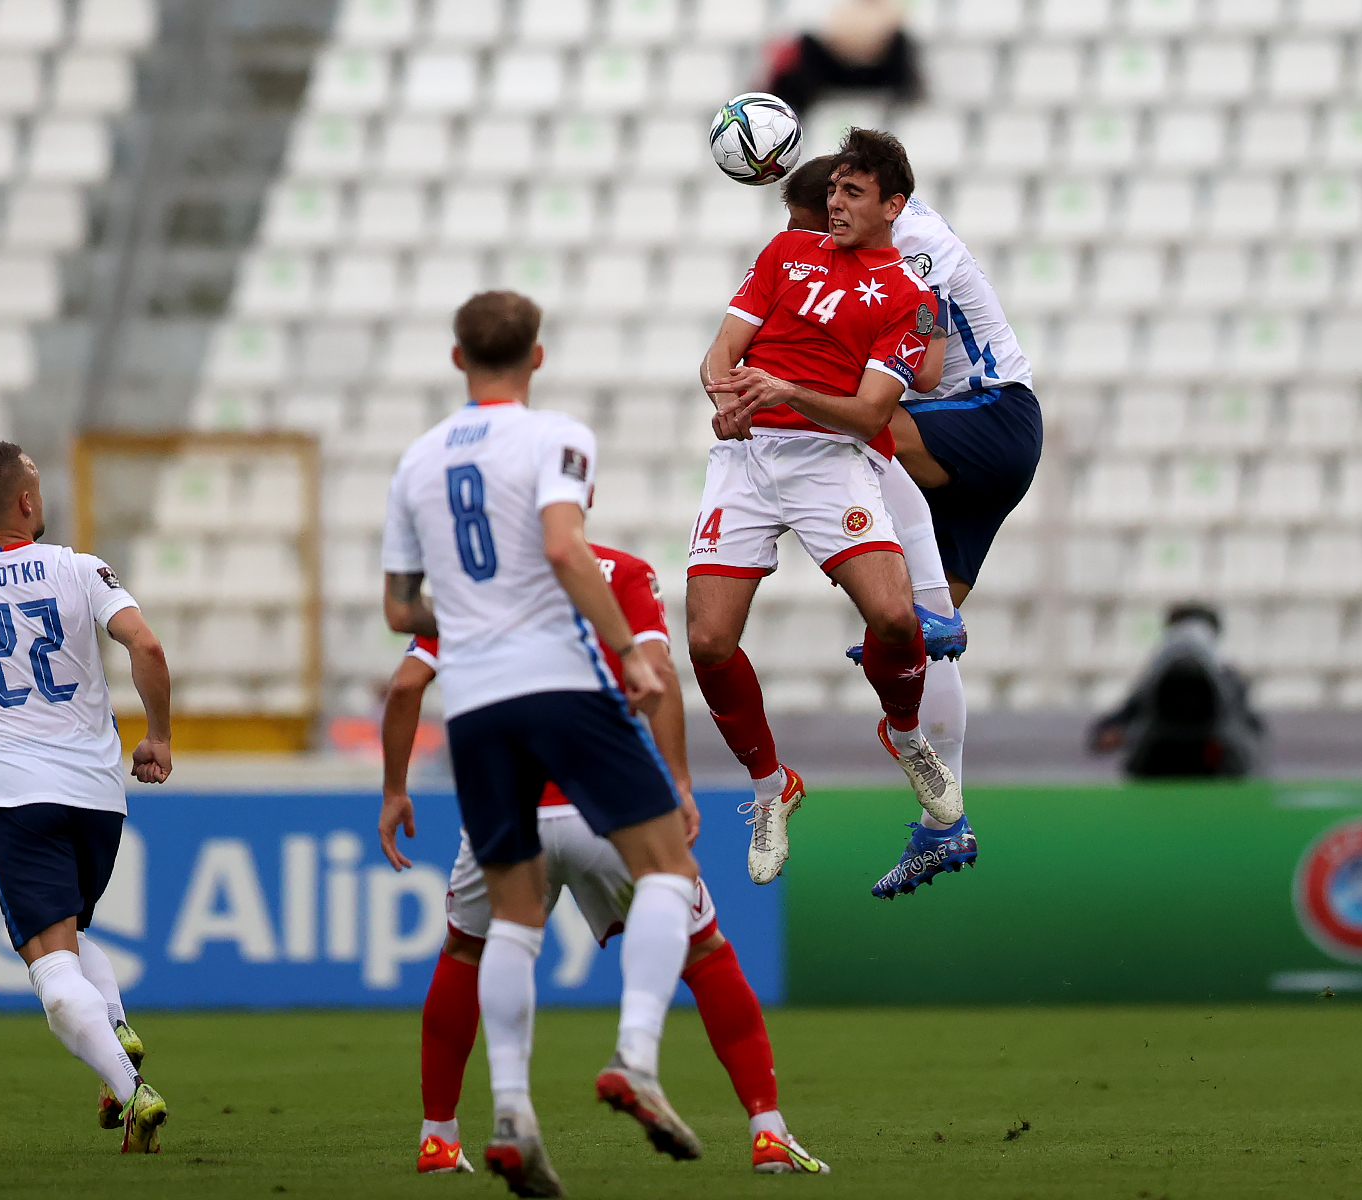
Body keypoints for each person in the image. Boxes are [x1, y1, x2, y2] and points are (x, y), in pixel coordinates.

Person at [381, 291, 703, 1197]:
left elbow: (401, 610)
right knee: (668, 869)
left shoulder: (415, 462)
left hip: (474, 708)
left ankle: (513, 1114)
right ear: (538, 356)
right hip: (557, 683)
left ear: (456, 360)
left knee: (514, 916)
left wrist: (476, 615)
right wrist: (634, 656)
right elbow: (566, 549)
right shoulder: (557, 436)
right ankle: (635, 1056)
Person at [378, 543, 827, 1177]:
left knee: (468, 951)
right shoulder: (620, 571)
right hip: (607, 801)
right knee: (704, 952)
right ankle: (765, 1129)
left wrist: (396, 790)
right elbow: (658, 675)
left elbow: (405, 685)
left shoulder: (477, 580)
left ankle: (440, 1137)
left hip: (507, 799)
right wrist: (678, 781)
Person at [693, 127, 962, 890]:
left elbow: (871, 411)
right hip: (746, 460)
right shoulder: (784, 255)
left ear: (892, 206)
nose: (835, 203)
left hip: (827, 460)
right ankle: (771, 790)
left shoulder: (909, 297)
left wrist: (784, 391)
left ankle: (907, 737)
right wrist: (726, 398)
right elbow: (722, 352)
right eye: (833, 190)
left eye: (852, 192)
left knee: (894, 617)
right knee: (709, 641)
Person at [0, 441, 174, 1153]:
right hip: (97, 796)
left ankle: (132, 1089)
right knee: (72, 938)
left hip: (17, 795)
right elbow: (145, 647)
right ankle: (115, 1025)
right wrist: (160, 738)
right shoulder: (78, 568)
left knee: (52, 972)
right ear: (26, 503)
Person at [777, 154, 983, 899]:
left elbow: (923, 375)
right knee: (934, 652)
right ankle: (946, 817)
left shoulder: (910, 251)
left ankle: (929, 608)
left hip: (987, 414)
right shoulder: (886, 250)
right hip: (990, 427)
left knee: (859, 427)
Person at [1088, 603, 1268, 778]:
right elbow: (1112, 728)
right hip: (1158, 765)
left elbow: (1252, 734)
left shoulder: (1229, 681)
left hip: (1214, 769)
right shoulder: (1152, 682)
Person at [762, 0, 924, 116]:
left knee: (901, 41)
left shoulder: (892, 9)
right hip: (839, 69)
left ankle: (905, 102)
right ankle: (791, 109)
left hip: (880, 72)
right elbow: (831, 37)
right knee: (806, 44)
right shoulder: (837, 8)